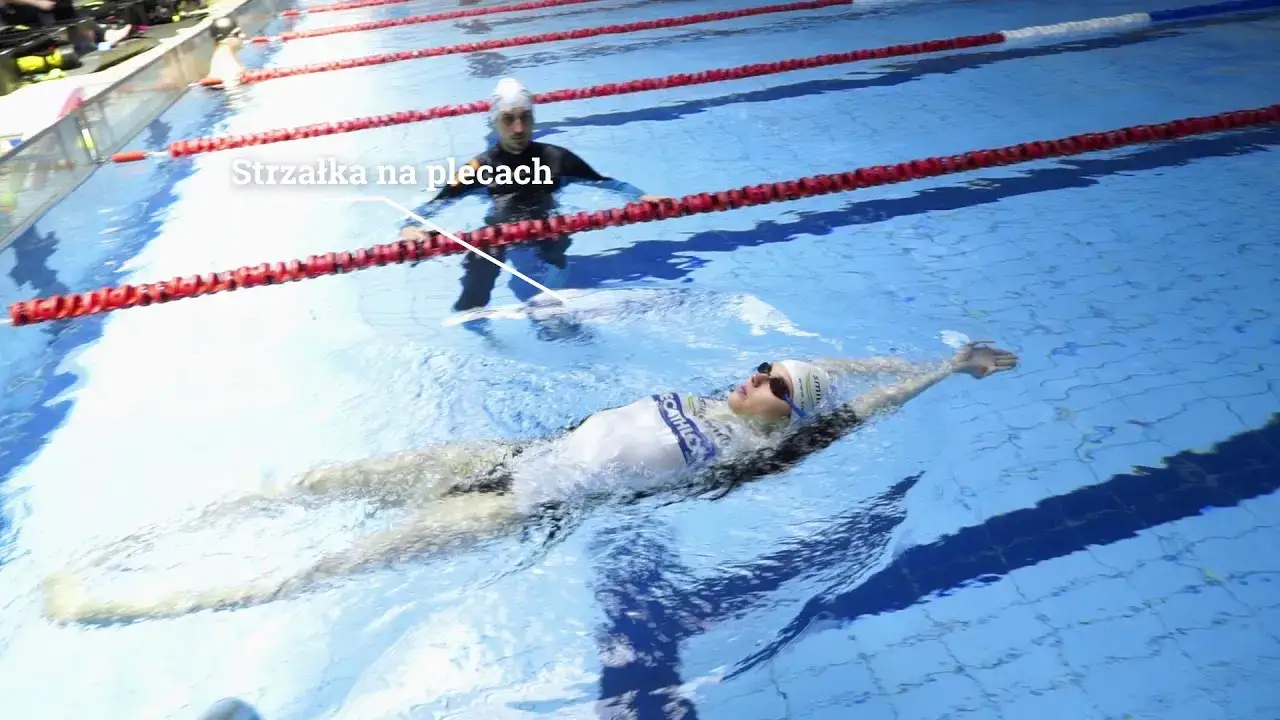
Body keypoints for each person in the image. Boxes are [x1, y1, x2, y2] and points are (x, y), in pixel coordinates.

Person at [42, 341, 1017, 623]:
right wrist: (897, 355)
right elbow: (832, 370)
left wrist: (939, 373)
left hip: (517, 510)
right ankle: (133, 541)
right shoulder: (720, 398)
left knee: (332, 563)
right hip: (499, 453)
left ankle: (122, 603)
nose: (758, 379)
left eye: (776, 387)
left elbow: (847, 406)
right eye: (763, 368)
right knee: (316, 481)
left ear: (783, 421)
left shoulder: (760, 453)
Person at [401, 77, 671, 312]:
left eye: (525, 117)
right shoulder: (479, 167)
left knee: (557, 247)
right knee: (477, 277)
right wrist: (411, 227)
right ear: (495, 122)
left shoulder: (557, 158)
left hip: (549, 230)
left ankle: (553, 314)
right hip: (498, 233)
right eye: (509, 119)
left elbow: (607, 184)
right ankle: (476, 325)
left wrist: (641, 197)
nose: (518, 128)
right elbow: (436, 205)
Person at [204, 15, 244, 87]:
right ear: (223, 39)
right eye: (237, 34)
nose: (243, 36)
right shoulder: (228, 67)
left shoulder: (222, 59)